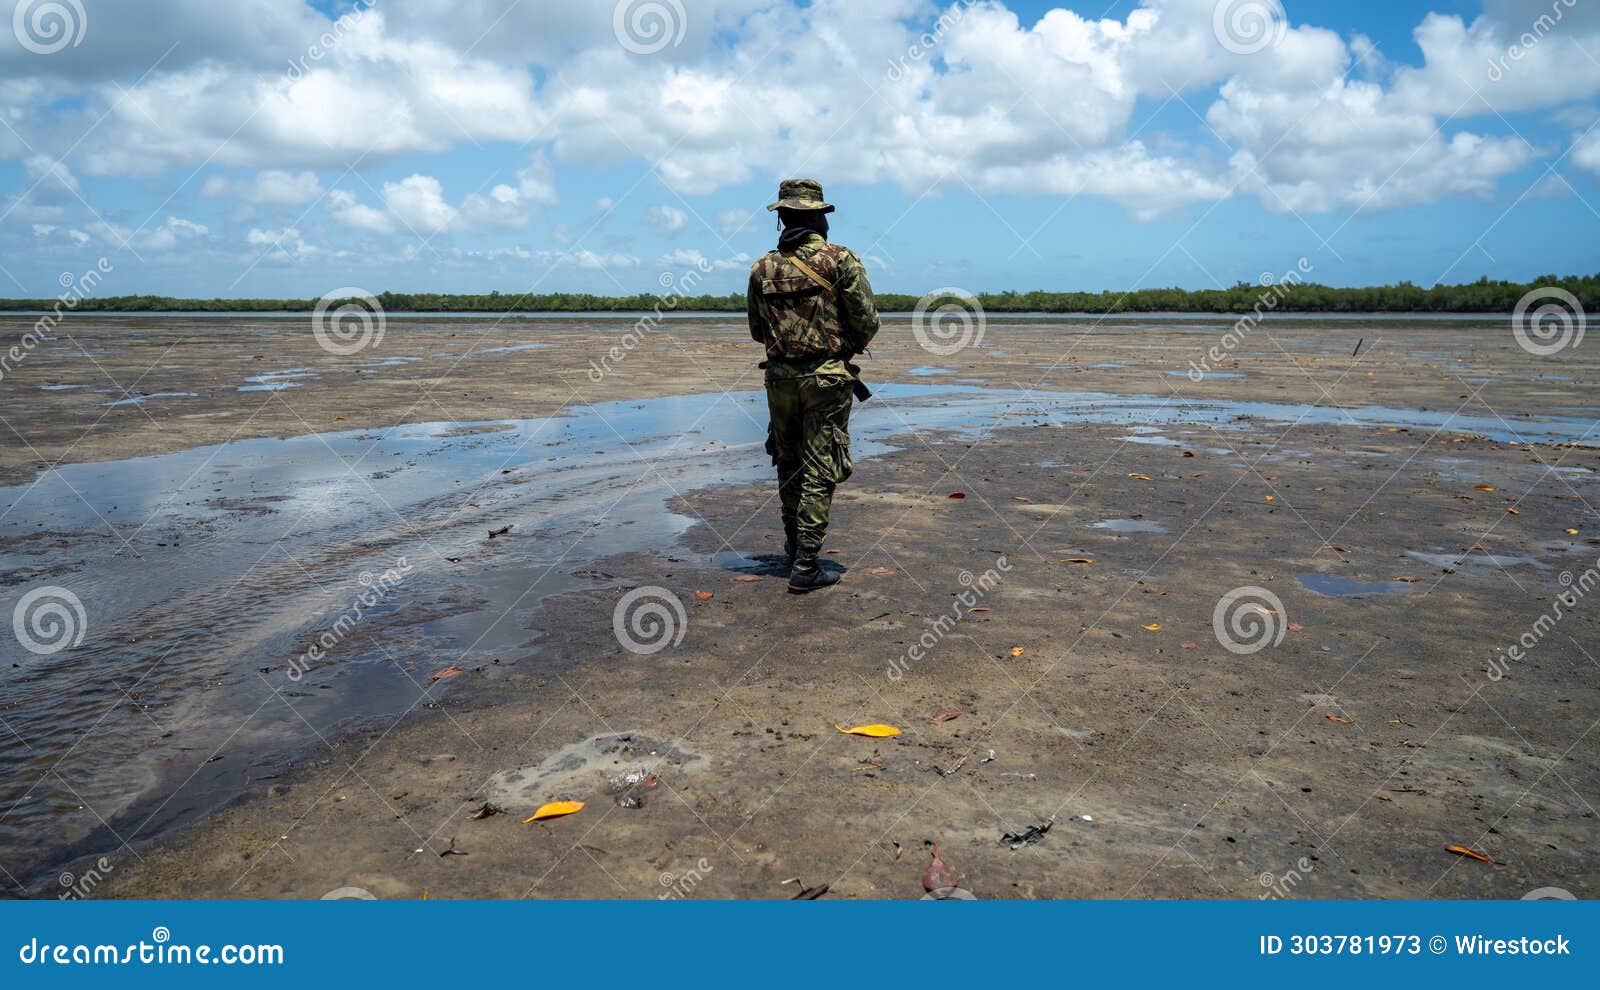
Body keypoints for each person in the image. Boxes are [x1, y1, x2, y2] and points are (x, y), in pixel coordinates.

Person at [746, 178, 880, 593]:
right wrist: (840, 347)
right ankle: (806, 563)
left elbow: (756, 330)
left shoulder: (762, 267)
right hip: (826, 378)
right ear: (820, 218)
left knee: (788, 463)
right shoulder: (841, 260)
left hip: (780, 379)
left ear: (782, 217)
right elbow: (867, 321)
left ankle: (793, 551)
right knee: (821, 466)